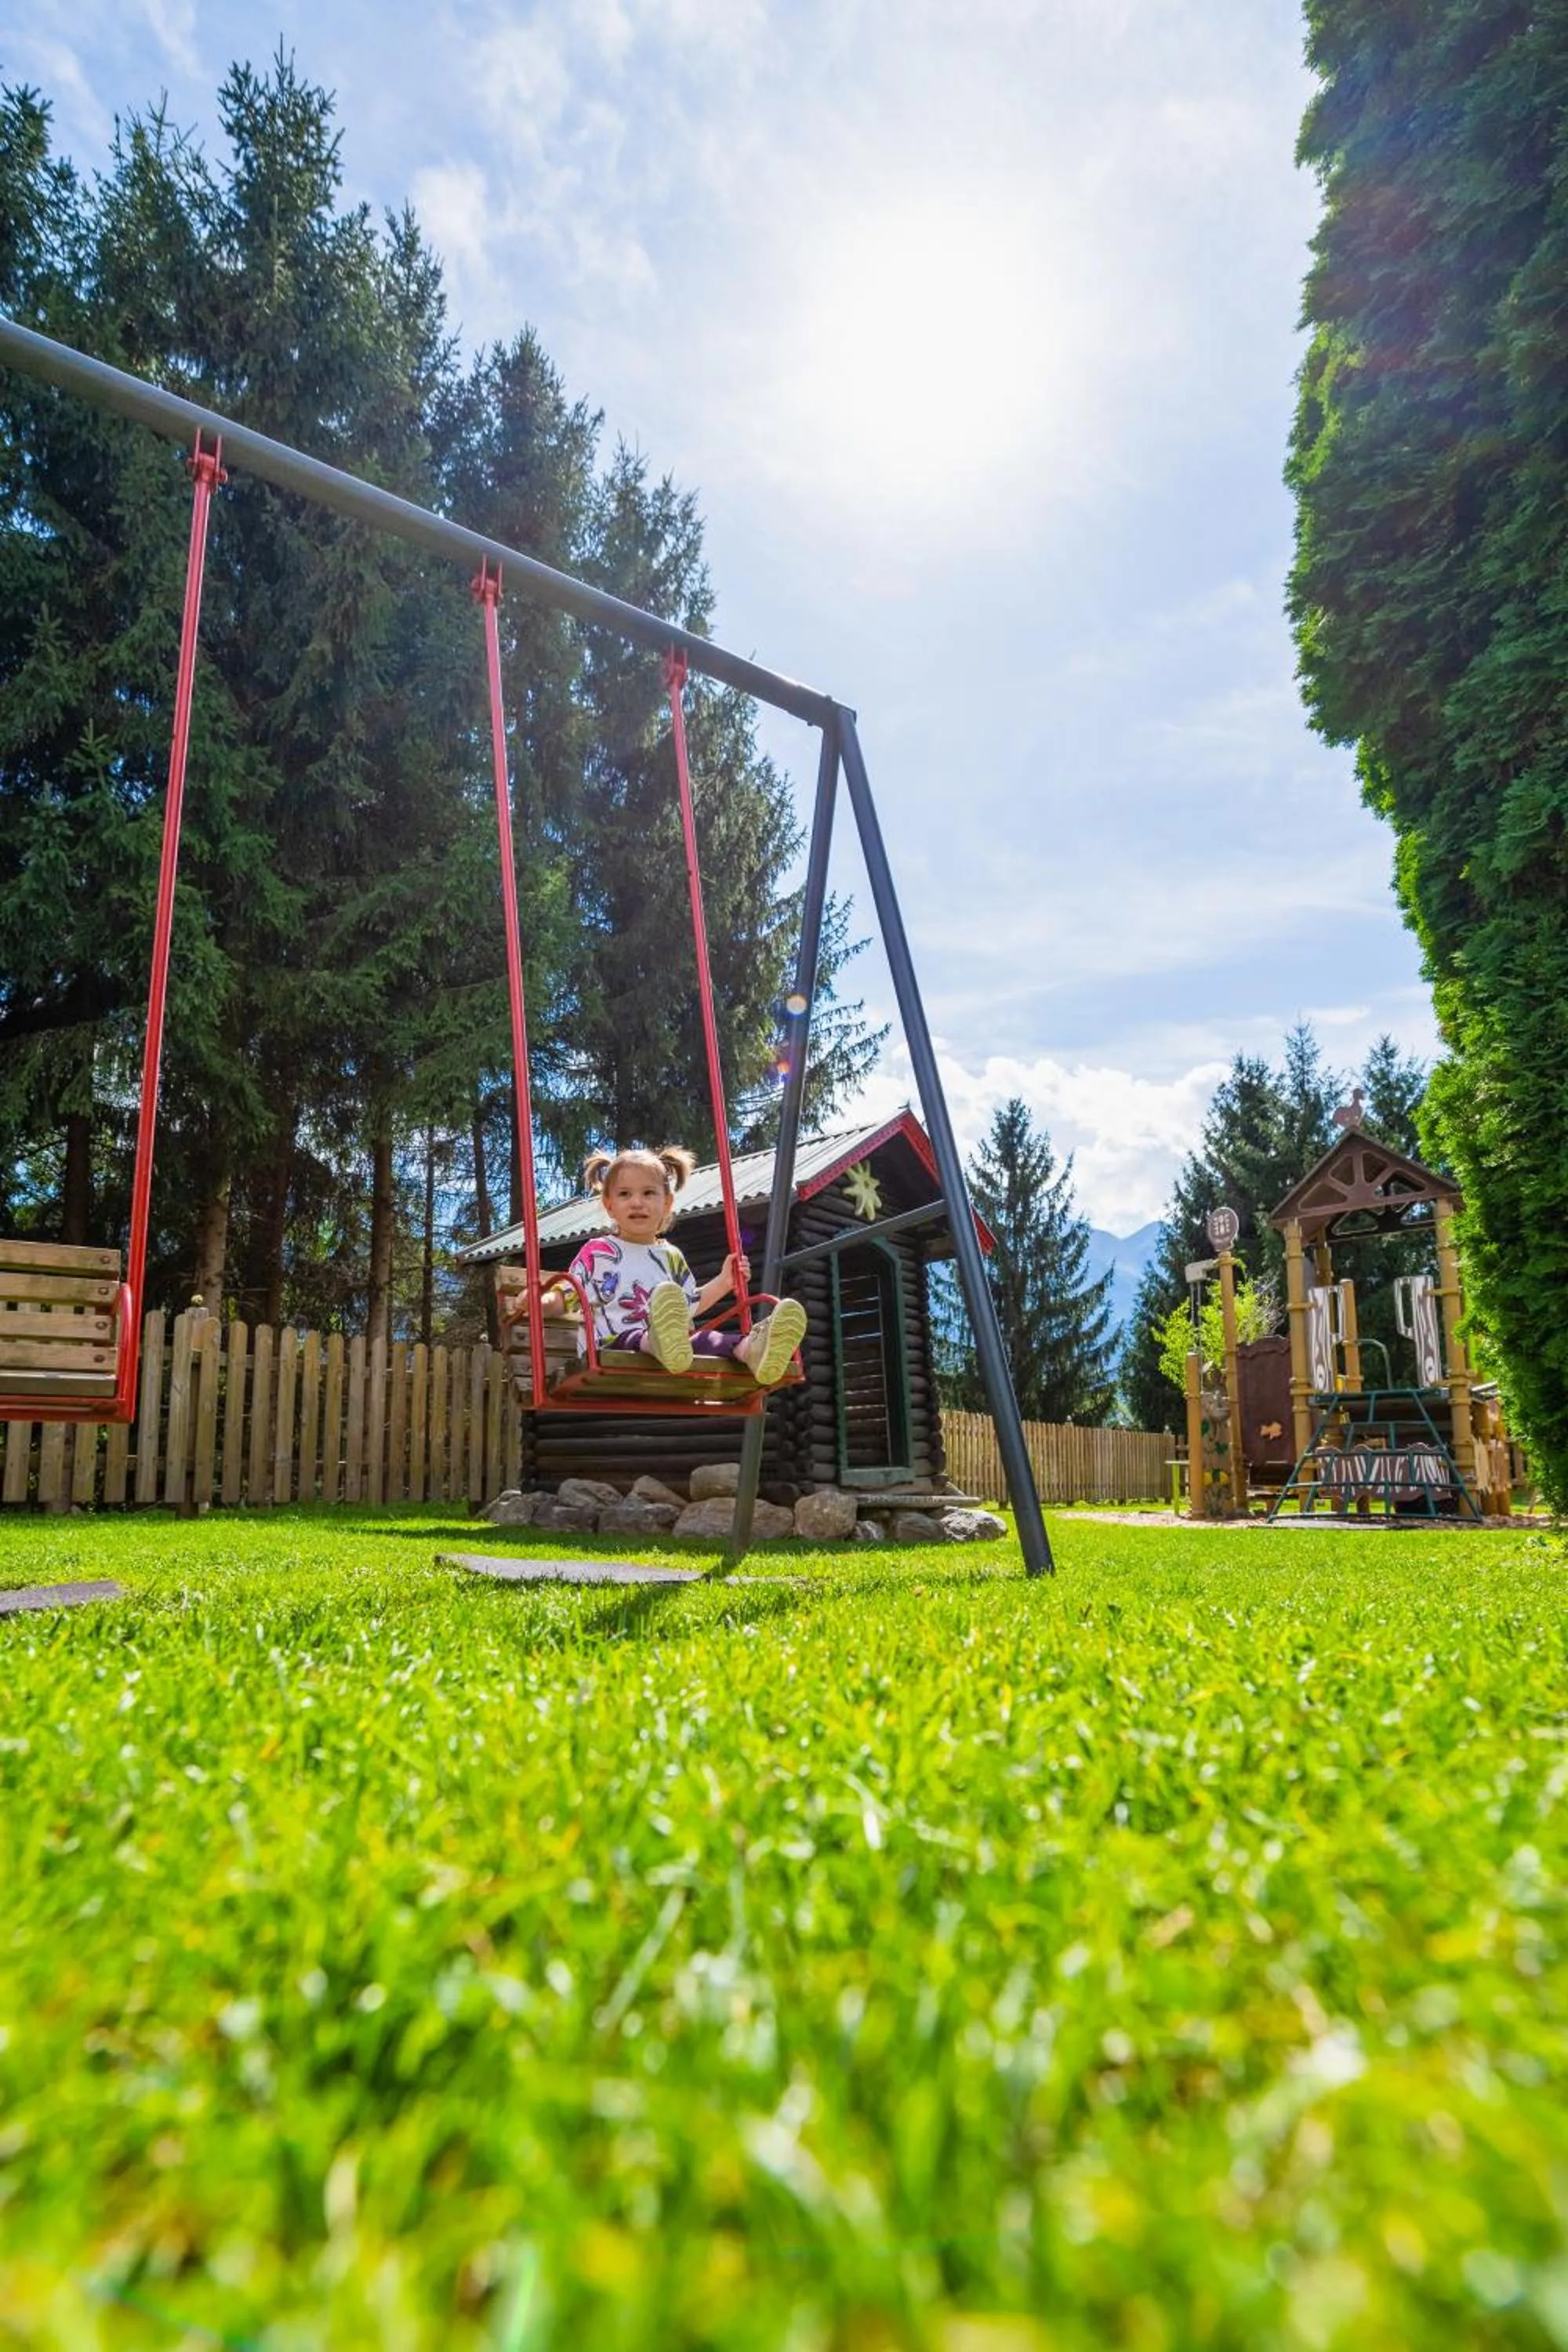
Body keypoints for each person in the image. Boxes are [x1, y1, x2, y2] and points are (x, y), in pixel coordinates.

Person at [563, 1144, 806, 1383]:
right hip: (611, 1350)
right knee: (635, 1337)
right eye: (625, 1194)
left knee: (705, 1339)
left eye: (648, 1193)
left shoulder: (671, 1257)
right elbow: (567, 1295)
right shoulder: (598, 1253)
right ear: (610, 1206)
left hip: (673, 1353)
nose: (637, 1202)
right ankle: (657, 1341)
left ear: (667, 1204)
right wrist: (545, 1302)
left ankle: (752, 1350)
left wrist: (724, 1282)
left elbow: (689, 1304)